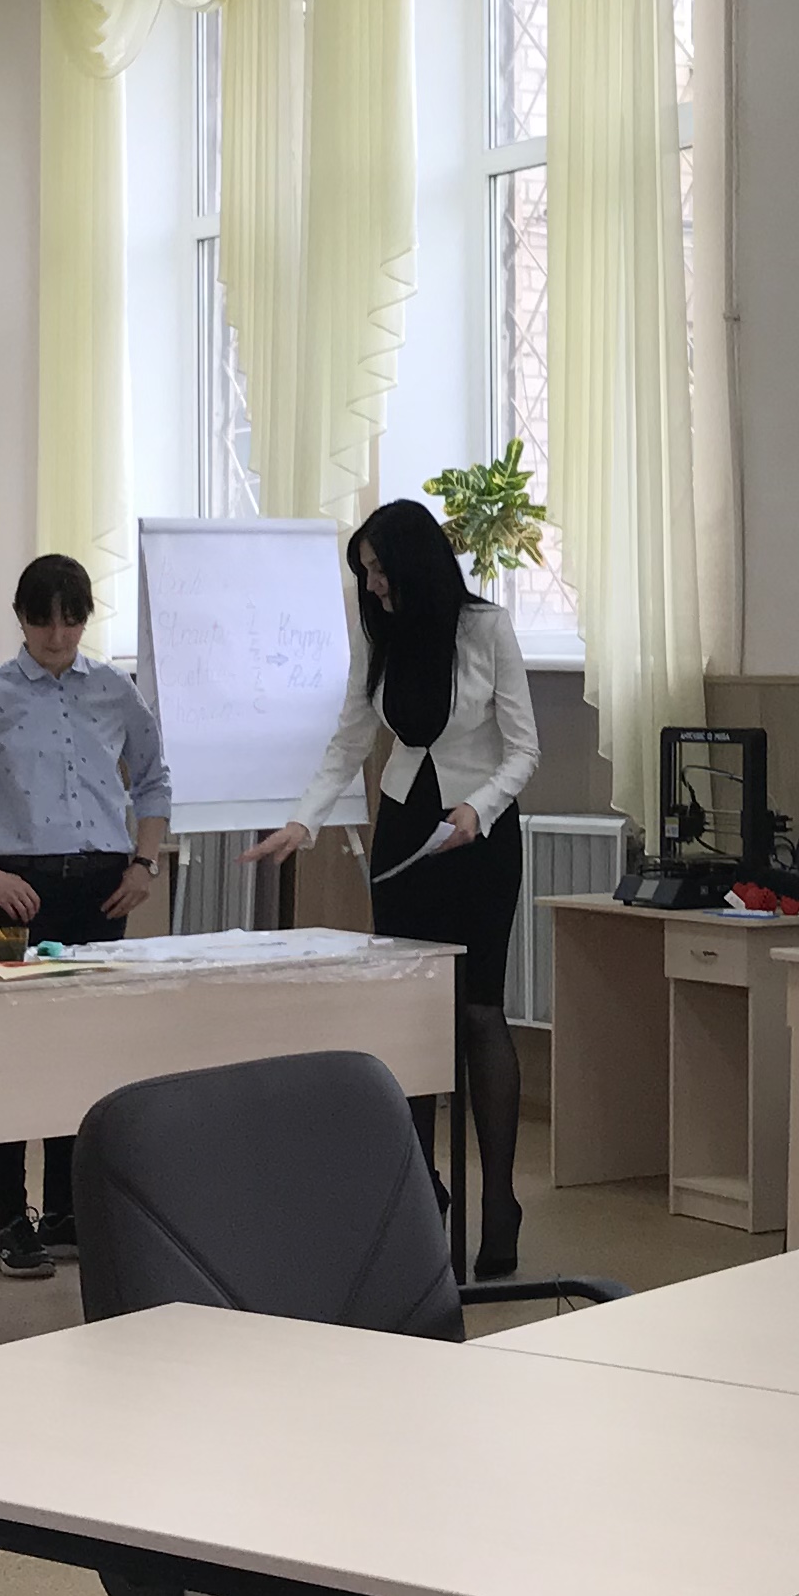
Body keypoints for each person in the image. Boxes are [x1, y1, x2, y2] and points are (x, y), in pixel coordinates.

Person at [249, 499, 542, 1277]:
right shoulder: (377, 630)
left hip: (480, 834)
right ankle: (420, 1195)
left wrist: (479, 808)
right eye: (366, 573)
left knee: (479, 1010)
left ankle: (499, 1200)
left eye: (380, 570)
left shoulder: (487, 629)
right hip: (408, 830)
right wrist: (304, 822)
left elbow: (524, 749)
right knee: (410, 1014)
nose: (373, 586)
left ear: (414, 564)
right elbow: (351, 736)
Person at [0, 553, 170, 1282]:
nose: (57, 636)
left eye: (71, 620)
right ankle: (9, 1220)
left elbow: (154, 781)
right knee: (10, 1057)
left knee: (83, 1053)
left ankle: (64, 1209)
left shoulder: (115, 690)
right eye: (43, 621)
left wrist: (144, 865)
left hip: (102, 891)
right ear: (20, 619)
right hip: (15, 894)